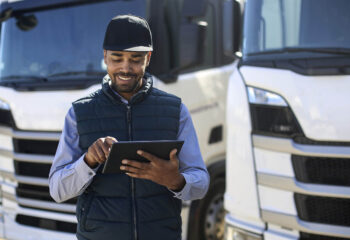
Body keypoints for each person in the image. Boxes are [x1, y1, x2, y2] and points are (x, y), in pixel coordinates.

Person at [49, 15, 209, 240]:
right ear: (105, 57)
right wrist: (88, 161)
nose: (126, 68)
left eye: (135, 59)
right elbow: (57, 191)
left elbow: (200, 182)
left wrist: (176, 181)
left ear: (148, 58)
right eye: (117, 58)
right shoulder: (79, 113)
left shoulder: (175, 110)